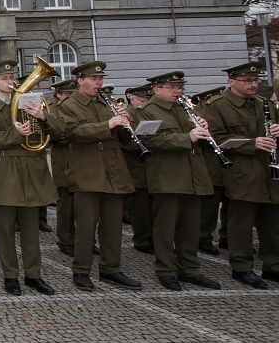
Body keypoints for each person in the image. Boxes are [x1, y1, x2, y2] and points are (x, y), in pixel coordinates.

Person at [0, 61, 57, 296]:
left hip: (30, 170)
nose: (10, 82)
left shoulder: (29, 103)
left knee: (31, 229)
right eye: (4, 78)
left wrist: (43, 117)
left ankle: (33, 275)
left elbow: (57, 133)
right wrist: (14, 133)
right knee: (6, 230)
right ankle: (10, 276)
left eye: (12, 77)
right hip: (5, 171)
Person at [56, 61, 141, 291]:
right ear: (80, 80)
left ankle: (111, 268)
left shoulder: (106, 102)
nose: (98, 83)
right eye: (94, 79)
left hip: (113, 170)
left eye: (100, 79)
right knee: (86, 226)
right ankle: (81, 270)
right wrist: (108, 124)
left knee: (113, 225)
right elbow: (73, 132)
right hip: (87, 172)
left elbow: (122, 138)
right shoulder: (70, 105)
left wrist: (126, 124)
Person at [135, 71, 220, 290]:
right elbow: (149, 141)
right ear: (156, 89)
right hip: (167, 177)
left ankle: (189, 269)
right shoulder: (147, 111)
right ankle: (166, 270)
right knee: (165, 228)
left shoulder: (186, 108)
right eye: (172, 87)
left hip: (193, 176)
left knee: (190, 228)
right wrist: (187, 137)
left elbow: (201, 140)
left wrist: (203, 129)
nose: (177, 91)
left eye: (179, 87)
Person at [201, 62, 279, 289]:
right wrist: (251, 143)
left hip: (269, 170)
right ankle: (242, 267)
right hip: (242, 171)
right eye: (246, 81)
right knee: (241, 224)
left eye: (255, 80)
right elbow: (215, 139)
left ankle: (273, 265)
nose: (252, 85)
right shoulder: (218, 105)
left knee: (272, 223)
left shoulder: (265, 104)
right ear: (232, 81)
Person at [192, 86, 229, 254]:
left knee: (229, 205)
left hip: (228, 166)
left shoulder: (222, 112)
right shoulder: (198, 114)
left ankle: (227, 237)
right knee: (210, 207)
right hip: (211, 165)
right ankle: (203, 238)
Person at [46, 79, 78, 256]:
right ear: (59, 94)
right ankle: (66, 240)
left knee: (83, 206)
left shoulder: (78, 107)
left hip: (80, 161)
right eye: (67, 94)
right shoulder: (51, 109)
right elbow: (51, 134)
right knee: (66, 205)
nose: (71, 97)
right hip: (63, 161)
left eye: (73, 93)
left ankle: (85, 240)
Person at [124, 84, 155, 254]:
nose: (145, 103)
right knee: (141, 208)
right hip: (136, 167)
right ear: (133, 99)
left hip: (153, 166)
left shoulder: (148, 113)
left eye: (148, 99)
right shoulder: (127, 114)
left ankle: (153, 237)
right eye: (142, 99)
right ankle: (142, 239)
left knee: (153, 207)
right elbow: (123, 143)